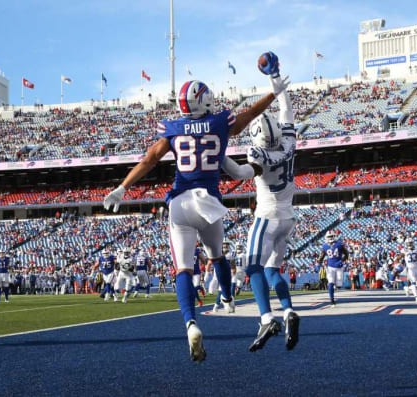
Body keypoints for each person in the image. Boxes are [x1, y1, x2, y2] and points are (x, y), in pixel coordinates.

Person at [103, 76, 282, 362]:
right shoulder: (219, 122)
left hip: (181, 202)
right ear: (205, 100)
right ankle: (227, 297)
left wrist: (123, 187)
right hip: (209, 202)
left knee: (183, 269)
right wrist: (273, 93)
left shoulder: (172, 127)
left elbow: (149, 159)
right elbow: (249, 114)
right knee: (217, 256)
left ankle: (191, 324)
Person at [238, 60, 300, 352]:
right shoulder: (288, 142)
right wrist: (275, 79)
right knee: (273, 270)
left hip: (267, 214)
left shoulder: (256, 153)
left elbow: (245, 173)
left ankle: (266, 318)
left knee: (252, 267)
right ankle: (288, 312)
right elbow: (287, 111)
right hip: (289, 216)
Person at [319, 231, 348, 306]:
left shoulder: (339, 244)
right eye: (329, 237)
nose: (330, 238)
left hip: (339, 266)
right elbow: (321, 256)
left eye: (331, 236)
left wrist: (341, 261)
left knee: (339, 284)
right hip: (330, 266)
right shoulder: (326, 246)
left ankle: (336, 287)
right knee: (331, 283)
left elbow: (346, 254)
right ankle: (332, 299)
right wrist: (319, 262)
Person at [392, 238, 417, 303]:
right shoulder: (404, 250)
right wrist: (398, 265)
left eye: (410, 243)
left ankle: (407, 288)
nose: (409, 244)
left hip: (416, 268)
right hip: (410, 268)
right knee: (414, 283)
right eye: (408, 243)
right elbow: (398, 258)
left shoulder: (416, 249)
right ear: (406, 244)